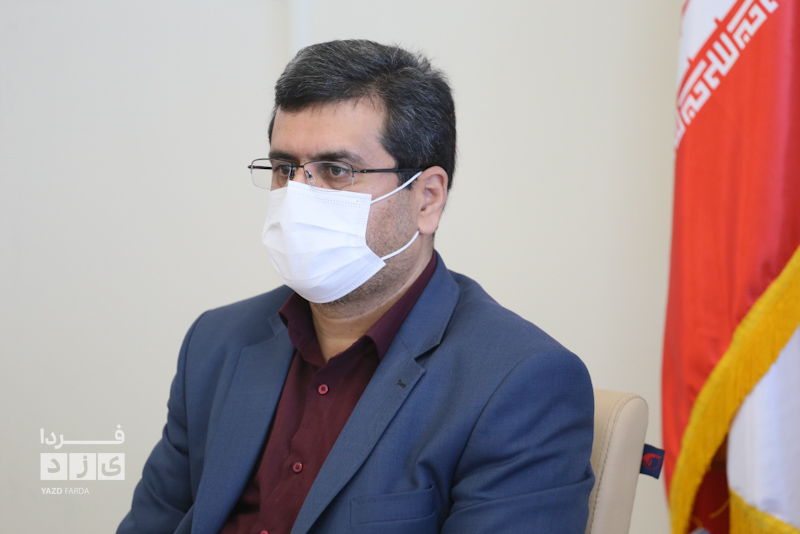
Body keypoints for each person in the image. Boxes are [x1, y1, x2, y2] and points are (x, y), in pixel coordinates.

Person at [118, 39, 594, 534]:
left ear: (427, 199)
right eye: (285, 169)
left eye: (336, 170)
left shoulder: (520, 382)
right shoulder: (216, 343)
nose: (299, 196)